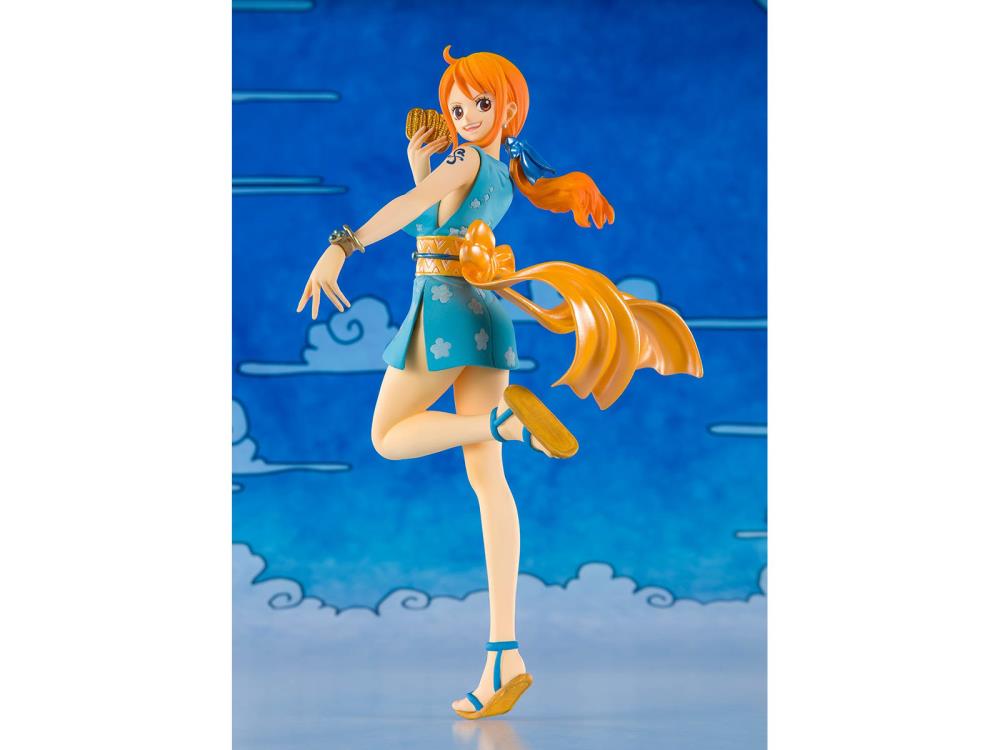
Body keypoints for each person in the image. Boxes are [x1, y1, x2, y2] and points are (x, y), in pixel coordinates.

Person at [297, 46, 702, 719]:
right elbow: (438, 215)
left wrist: (340, 245)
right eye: (457, 108)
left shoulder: (465, 159)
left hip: (444, 315)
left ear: (508, 106)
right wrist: (421, 167)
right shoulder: (501, 171)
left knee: (387, 436)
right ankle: (503, 654)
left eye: (479, 104)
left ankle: (501, 422)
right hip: (486, 319)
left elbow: (412, 208)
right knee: (489, 482)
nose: (465, 117)